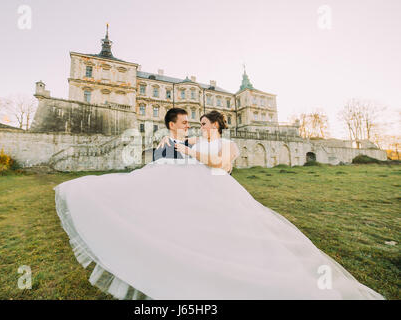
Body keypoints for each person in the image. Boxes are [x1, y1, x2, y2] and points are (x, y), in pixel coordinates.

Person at [53, 109, 385, 300]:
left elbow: (221, 166)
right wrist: (172, 146)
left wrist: (192, 152)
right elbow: (174, 147)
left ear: (215, 125)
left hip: (221, 189)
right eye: (196, 124)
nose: (197, 127)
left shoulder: (229, 145)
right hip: (198, 189)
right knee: (195, 229)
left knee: (238, 234)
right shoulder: (194, 140)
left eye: (202, 124)